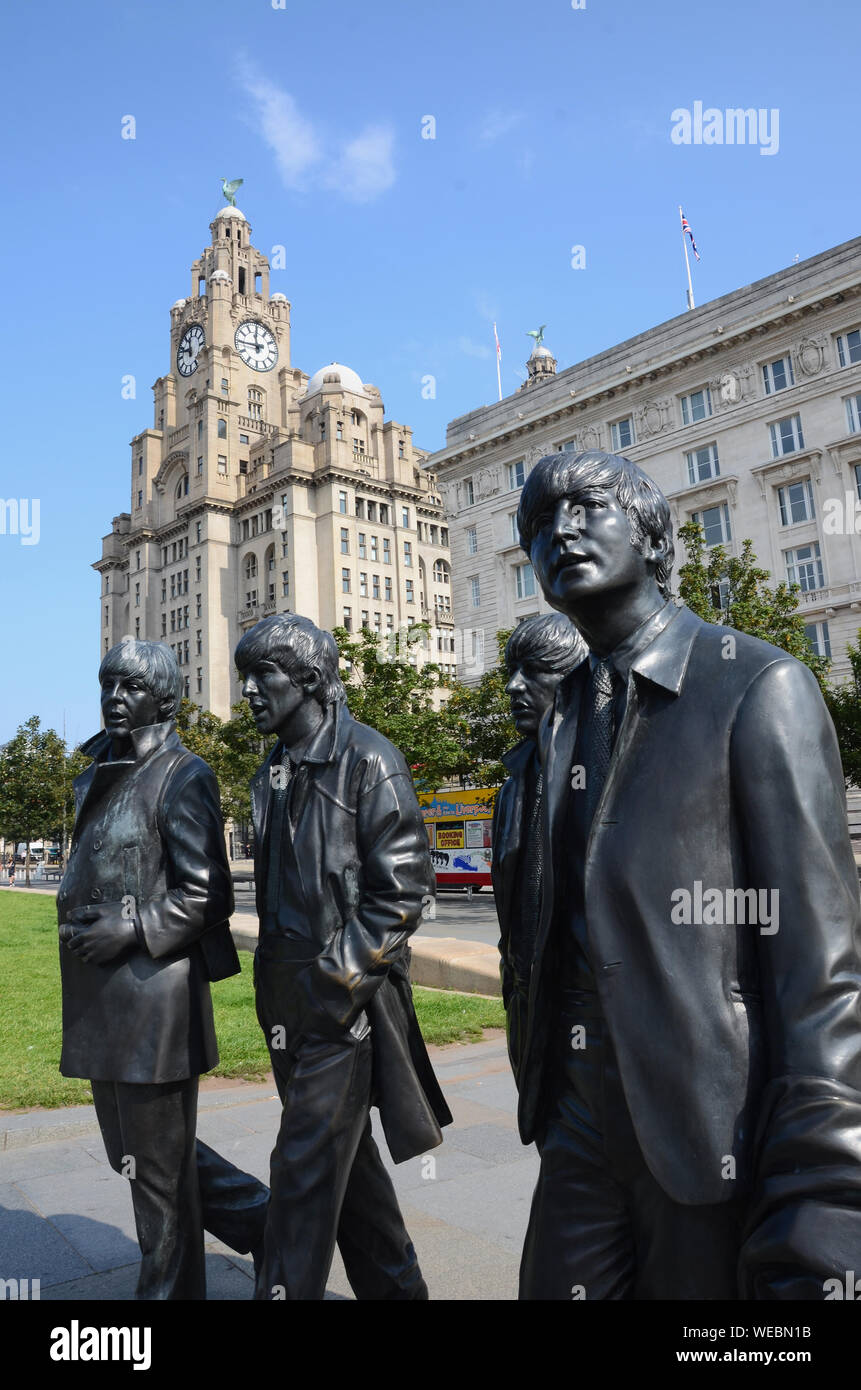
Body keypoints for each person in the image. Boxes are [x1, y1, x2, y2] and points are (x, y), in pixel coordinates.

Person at [514, 447, 861, 1300]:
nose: (558, 530)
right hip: (576, 1117)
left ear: (653, 537)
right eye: (536, 523)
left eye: (586, 506)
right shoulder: (561, 721)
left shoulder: (756, 687)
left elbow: (821, 974)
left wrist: (824, 1197)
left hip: (711, 1123)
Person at [236, 613, 451, 1300]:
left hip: (343, 1003)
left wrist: (341, 978)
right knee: (348, 1175)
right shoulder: (271, 770)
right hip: (285, 1002)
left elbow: (404, 887)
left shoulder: (368, 757)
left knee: (300, 1173)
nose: (248, 691)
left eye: (260, 675)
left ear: (304, 678)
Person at [58, 638, 268, 1299]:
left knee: (156, 1173)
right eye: (107, 686)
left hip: (154, 996)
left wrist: (130, 927)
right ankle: (271, 1222)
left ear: (164, 698)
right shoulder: (98, 770)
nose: (114, 698)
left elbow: (207, 893)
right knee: (141, 1158)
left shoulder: (184, 774)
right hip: (101, 1000)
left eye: (129, 687)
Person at [492, 614, 586, 1089]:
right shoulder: (513, 787)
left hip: (594, 1022)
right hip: (527, 1011)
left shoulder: (612, 773)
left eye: (533, 671)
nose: (513, 686)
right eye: (511, 670)